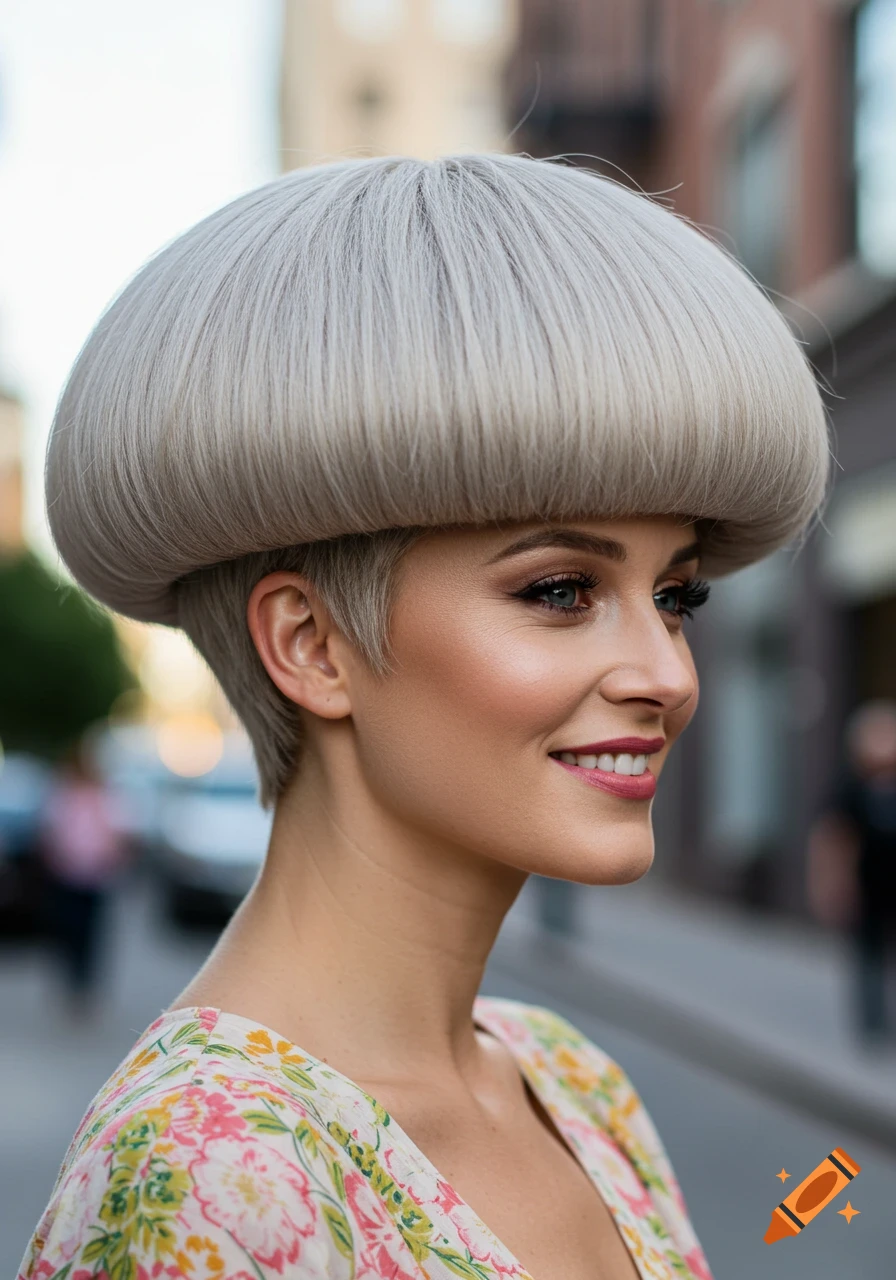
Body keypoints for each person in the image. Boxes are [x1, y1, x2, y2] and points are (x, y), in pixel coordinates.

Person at [20, 154, 829, 1280]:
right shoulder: (211, 1179)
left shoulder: (566, 1078)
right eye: (559, 591)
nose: (667, 672)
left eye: (675, 595)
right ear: (310, 644)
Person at [807, 700, 896, 1048]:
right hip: (867, 887)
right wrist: (831, 885)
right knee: (868, 955)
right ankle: (873, 1023)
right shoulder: (850, 787)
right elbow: (831, 837)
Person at [39, 739, 129, 1011]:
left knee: (91, 931)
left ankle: (86, 983)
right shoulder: (63, 796)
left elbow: (119, 833)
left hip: (96, 876)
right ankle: (71, 980)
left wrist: (114, 859)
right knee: (68, 929)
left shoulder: (105, 796)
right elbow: (50, 830)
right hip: (66, 874)